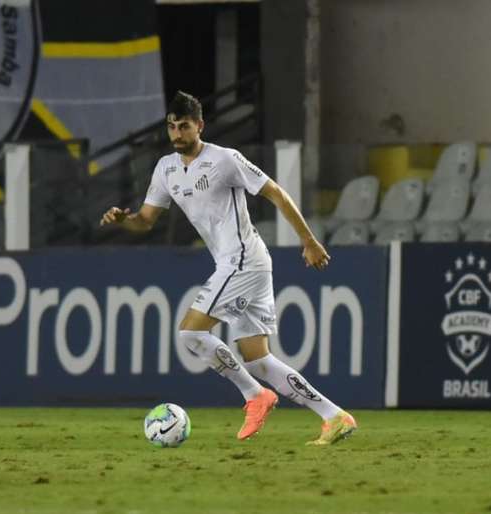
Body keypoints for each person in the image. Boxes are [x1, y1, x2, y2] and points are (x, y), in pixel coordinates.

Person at [100, 91, 357, 445]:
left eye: (184, 126)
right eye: (171, 127)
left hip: (244, 260)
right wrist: (122, 221)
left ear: (200, 126)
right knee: (259, 362)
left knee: (190, 334)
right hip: (237, 263)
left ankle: (255, 396)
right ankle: (335, 416)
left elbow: (277, 193)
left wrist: (309, 241)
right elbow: (145, 221)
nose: (177, 133)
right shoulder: (166, 168)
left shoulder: (225, 160)